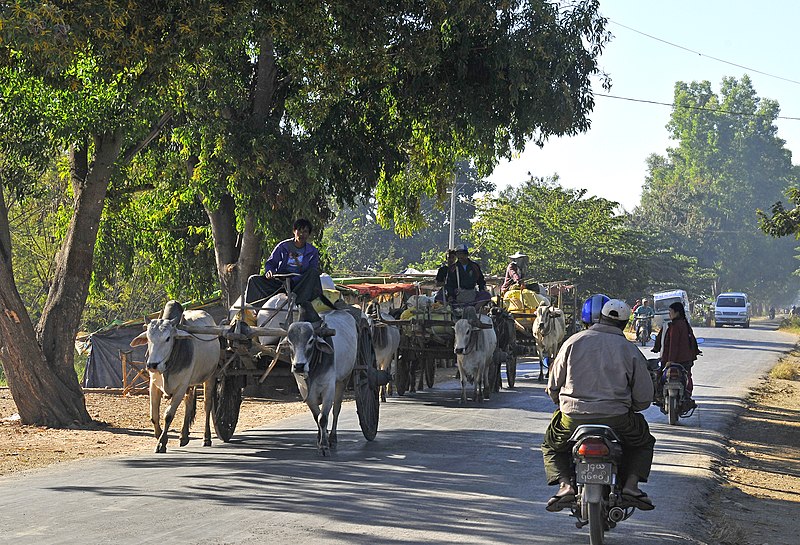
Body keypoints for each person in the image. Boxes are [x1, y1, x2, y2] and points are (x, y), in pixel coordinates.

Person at [542, 299, 656, 513]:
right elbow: (643, 398)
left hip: (572, 418)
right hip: (617, 418)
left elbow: (553, 385)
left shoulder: (572, 342)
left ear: (599, 318)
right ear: (624, 324)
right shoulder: (629, 349)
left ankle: (565, 485)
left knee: (551, 443)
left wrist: (561, 402)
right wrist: (633, 406)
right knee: (643, 441)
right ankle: (631, 486)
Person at [244, 218, 337, 329]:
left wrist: (297, 279)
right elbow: (271, 263)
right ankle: (255, 309)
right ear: (294, 231)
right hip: (280, 282)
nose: (302, 234)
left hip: (299, 284)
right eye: (299, 231)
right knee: (253, 279)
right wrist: (270, 272)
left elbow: (313, 269)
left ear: (309, 234)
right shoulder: (283, 246)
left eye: (305, 232)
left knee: (313, 273)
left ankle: (299, 303)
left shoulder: (312, 251)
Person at [655, 301, 701, 409]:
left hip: (672, 360)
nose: (669, 314)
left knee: (660, 376)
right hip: (686, 360)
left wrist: (670, 360)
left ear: (677, 313)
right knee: (687, 377)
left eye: (670, 312)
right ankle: (687, 396)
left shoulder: (675, 326)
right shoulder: (685, 324)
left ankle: (659, 396)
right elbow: (692, 341)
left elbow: (673, 345)